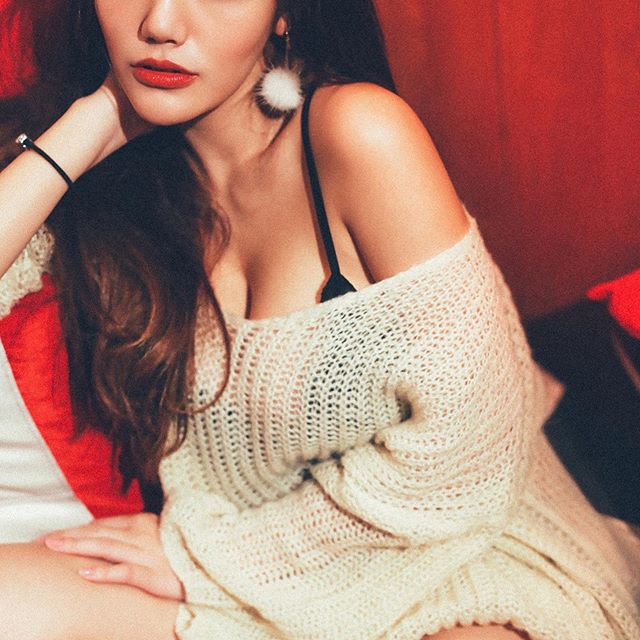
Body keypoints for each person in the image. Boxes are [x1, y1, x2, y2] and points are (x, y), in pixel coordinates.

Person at [0, 0, 639, 638]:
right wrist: (92, 122)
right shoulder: (119, 188)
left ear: (283, 13)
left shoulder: (357, 131)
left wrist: (210, 553)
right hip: (237, 575)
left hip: (458, 552)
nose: (161, 24)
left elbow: (473, 459)